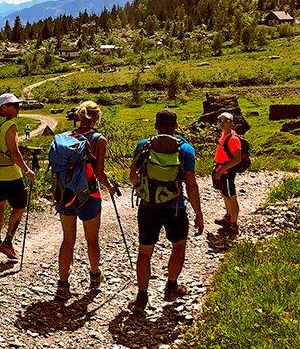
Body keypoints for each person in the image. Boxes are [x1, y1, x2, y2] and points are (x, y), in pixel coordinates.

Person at [128, 109, 204, 315]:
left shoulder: (143, 145)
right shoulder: (185, 149)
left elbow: (132, 175)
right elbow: (191, 184)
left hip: (148, 207)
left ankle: (141, 296)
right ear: (176, 126)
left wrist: (143, 189)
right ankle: (171, 286)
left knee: (145, 251)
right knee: (178, 246)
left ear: (156, 126)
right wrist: (198, 213)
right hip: (175, 207)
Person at [55, 101, 116, 300]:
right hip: (89, 195)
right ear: (96, 118)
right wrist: (111, 187)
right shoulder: (99, 139)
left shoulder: (66, 138)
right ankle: (94, 276)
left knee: (68, 240)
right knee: (92, 240)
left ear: (78, 117)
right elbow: (99, 173)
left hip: (66, 195)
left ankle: (63, 284)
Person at [0, 93, 35, 260]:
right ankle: (8, 241)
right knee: (19, 206)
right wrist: (27, 170)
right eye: (14, 105)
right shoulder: (9, 125)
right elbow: (15, 153)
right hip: (10, 174)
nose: (18, 108)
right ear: (4, 108)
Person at [212, 111, 241, 234]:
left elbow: (237, 159)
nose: (222, 123)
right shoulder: (224, 135)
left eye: (226, 121)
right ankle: (228, 217)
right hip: (220, 169)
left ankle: (233, 224)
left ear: (232, 123)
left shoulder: (233, 139)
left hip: (227, 172)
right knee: (225, 194)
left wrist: (223, 169)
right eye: (220, 121)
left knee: (231, 197)